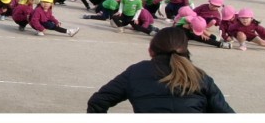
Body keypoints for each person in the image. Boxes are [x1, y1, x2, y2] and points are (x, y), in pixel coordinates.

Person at [87, 27, 234, 113]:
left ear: (151, 50)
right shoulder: (200, 76)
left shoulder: (136, 72)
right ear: (186, 51)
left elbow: (98, 101)